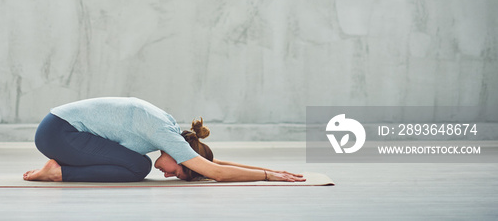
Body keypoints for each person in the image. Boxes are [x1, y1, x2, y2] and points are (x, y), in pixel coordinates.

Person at [22, 97, 305, 183]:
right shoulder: (162, 133)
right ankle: (59, 173)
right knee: (138, 167)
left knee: (138, 163)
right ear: (182, 155)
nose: (168, 174)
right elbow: (215, 172)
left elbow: (210, 163)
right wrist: (268, 175)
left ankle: (59, 169)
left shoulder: (170, 133)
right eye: (177, 171)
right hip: (59, 133)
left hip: (58, 129)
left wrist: (265, 168)